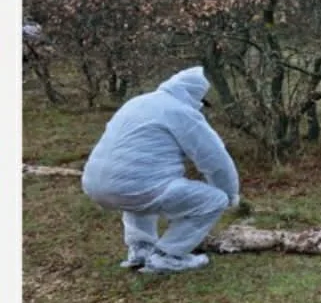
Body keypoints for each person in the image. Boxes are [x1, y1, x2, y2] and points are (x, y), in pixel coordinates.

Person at [81, 66, 241, 274]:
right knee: (214, 200)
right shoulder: (181, 111)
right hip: (137, 187)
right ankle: (169, 256)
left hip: (94, 185)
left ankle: (141, 249)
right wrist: (230, 193)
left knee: (138, 186)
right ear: (195, 97)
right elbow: (214, 158)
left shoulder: (137, 102)